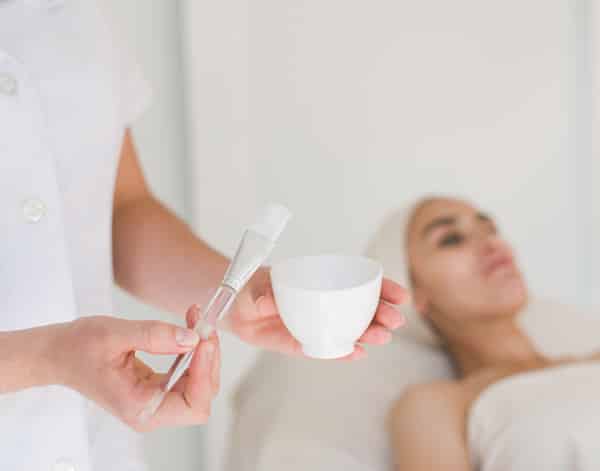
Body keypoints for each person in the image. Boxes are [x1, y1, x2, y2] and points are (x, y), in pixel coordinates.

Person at [0, 2, 406, 470]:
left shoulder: (78, 15)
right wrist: (48, 357)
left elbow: (120, 208)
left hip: (97, 447)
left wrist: (235, 296)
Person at [386, 196, 600, 470]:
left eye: (491, 230)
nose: (492, 244)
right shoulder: (439, 404)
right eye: (451, 239)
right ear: (413, 293)